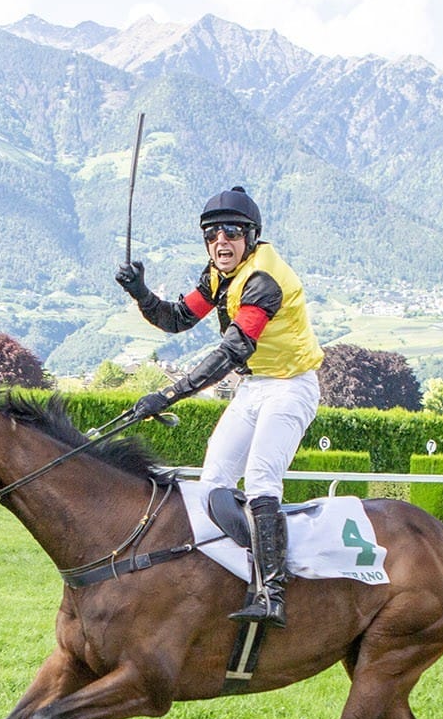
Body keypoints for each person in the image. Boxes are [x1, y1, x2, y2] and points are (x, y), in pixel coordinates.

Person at [114, 186, 323, 628]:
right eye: (211, 234)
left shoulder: (264, 280)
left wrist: (168, 394)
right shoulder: (218, 273)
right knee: (212, 485)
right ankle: (241, 567)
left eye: (231, 232)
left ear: (251, 236)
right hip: (255, 386)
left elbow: (232, 351)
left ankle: (273, 593)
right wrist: (141, 293)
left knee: (262, 480)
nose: (220, 241)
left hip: (290, 387)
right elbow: (177, 318)